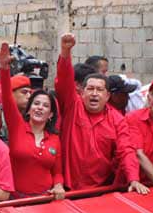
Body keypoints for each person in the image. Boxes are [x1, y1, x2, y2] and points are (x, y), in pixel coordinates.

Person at [54, 34, 147, 193]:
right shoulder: (73, 106)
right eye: (90, 89)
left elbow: (126, 149)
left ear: (107, 96)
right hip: (67, 189)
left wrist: (133, 179)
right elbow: (63, 80)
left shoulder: (117, 119)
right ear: (81, 93)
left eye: (99, 90)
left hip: (100, 191)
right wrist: (65, 52)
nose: (94, 94)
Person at [0, 43, 64, 200]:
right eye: (36, 103)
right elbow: (7, 97)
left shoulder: (54, 139)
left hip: (44, 200)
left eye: (45, 105)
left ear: (50, 114)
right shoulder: (17, 127)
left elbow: (58, 172)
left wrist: (59, 185)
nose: (40, 108)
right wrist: (5, 69)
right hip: (15, 200)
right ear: (29, 109)